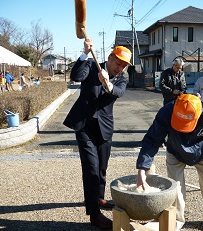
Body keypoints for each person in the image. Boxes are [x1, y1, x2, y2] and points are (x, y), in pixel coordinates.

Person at [63, 38, 132, 229]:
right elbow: (76, 75)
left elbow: (118, 92)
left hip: (104, 127)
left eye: (124, 66)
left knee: (102, 168)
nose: (120, 68)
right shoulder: (92, 65)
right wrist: (85, 53)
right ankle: (94, 214)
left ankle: (99, 198)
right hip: (84, 125)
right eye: (118, 63)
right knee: (91, 169)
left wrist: (108, 83)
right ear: (109, 58)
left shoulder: (121, 78)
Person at [136, 94, 203, 231]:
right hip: (175, 151)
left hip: (202, 151)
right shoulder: (167, 112)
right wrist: (142, 168)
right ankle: (177, 218)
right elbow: (152, 140)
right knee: (175, 187)